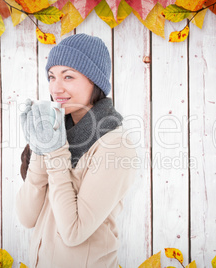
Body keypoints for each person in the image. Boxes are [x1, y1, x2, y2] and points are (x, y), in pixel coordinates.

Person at [16, 33, 138, 268]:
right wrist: (41, 148)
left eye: (68, 76)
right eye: (51, 76)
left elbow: (73, 232)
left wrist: (54, 151)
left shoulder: (115, 145)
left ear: (95, 82)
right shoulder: (56, 133)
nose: (55, 87)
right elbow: (27, 217)